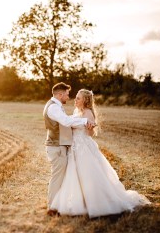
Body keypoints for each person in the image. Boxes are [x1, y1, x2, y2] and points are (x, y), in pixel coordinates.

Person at [50, 89, 151, 218]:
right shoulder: (76, 112)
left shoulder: (88, 113)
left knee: (88, 174)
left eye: (78, 98)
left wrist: (90, 129)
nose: (75, 100)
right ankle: (82, 202)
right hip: (74, 147)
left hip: (84, 148)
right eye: (75, 97)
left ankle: (97, 202)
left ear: (85, 101)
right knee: (76, 175)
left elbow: (90, 134)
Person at [43, 83, 96, 216]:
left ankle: (58, 204)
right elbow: (66, 122)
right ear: (60, 95)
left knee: (64, 177)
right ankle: (52, 207)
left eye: (77, 97)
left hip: (64, 146)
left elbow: (68, 121)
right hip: (56, 147)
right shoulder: (54, 107)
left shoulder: (56, 106)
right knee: (58, 177)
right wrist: (84, 122)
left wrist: (85, 122)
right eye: (67, 94)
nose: (69, 97)